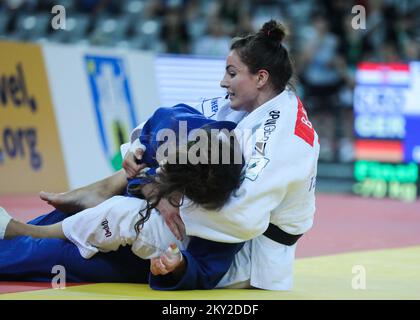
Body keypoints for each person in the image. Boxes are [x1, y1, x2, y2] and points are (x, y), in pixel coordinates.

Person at [5, 20, 320, 290]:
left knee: (76, 251)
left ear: (261, 78)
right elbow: (173, 118)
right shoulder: (246, 104)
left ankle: (31, 236)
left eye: (232, 73)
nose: (223, 82)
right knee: (79, 216)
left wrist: (159, 193)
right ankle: (27, 226)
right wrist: (139, 150)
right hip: (198, 220)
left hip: (235, 255)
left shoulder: (282, 138)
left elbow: (241, 218)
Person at [0, 104, 246, 290]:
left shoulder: (226, 215)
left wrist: (178, 264)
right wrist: (151, 186)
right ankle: (23, 230)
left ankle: (24, 237)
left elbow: (205, 270)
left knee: (58, 255)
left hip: (148, 252)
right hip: (140, 200)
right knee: (72, 213)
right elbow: (141, 174)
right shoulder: (179, 130)